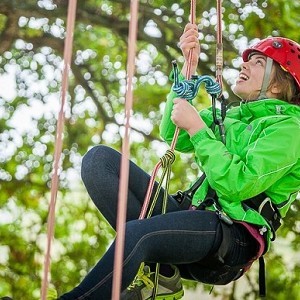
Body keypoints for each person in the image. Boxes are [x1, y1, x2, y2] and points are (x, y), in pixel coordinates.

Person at [40, 24, 300, 300]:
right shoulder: (234, 116)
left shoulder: (290, 130)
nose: (244, 63)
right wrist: (188, 69)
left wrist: (199, 129)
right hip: (197, 216)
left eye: (258, 62)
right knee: (99, 161)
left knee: (136, 235)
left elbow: (238, 184)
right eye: (247, 59)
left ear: (276, 83)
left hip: (232, 238)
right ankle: (163, 275)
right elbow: (174, 133)